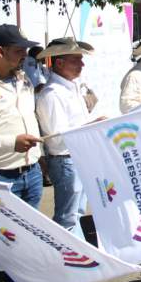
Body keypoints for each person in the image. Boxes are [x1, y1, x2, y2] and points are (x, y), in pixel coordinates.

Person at [0, 24, 43, 282]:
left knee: (23, 239)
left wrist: (37, 154)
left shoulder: (23, 79)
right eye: (19, 50)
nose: (25, 55)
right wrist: (10, 143)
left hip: (29, 173)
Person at [35, 38, 99, 249]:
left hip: (75, 157)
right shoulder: (52, 94)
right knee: (69, 214)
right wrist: (92, 125)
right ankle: (67, 258)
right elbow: (56, 136)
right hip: (65, 159)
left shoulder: (71, 88)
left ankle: (76, 256)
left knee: (76, 211)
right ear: (59, 63)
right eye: (76, 60)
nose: (82, 64)